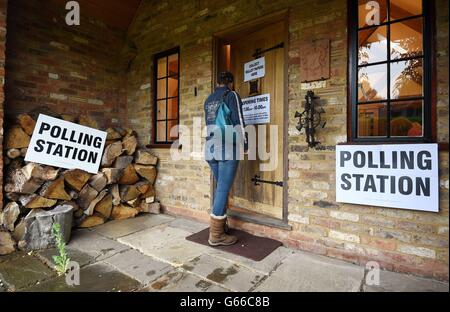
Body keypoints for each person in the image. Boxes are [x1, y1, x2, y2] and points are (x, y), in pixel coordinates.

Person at [204, 71, 247, 246]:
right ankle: (216, 235)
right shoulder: (231, 95)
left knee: (221, 187)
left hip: (210, 147)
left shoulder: (208, 99)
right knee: (222, 189)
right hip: (227, 144)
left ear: (217, 82)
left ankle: (221, 226)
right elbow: (239, 121)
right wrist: (245, 144)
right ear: (231, 82)